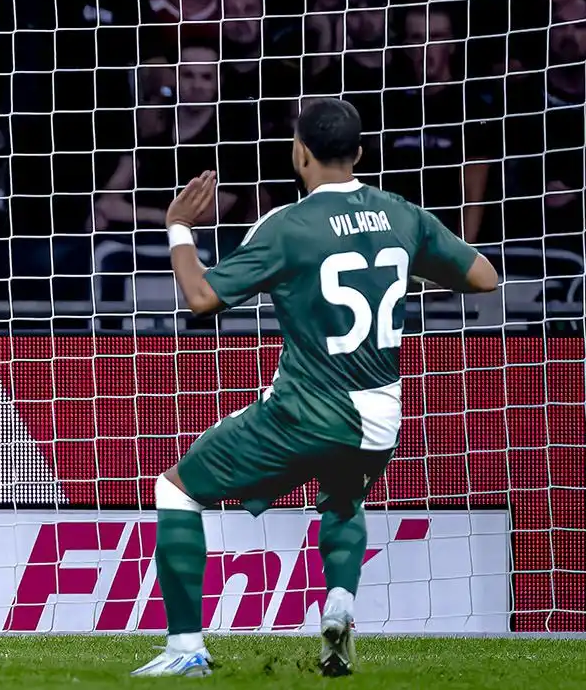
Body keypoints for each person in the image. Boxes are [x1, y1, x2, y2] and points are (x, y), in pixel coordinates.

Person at [136, 98, 499, 677]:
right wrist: (398, 264)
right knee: (342, 496)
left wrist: (178, 226)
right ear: (358, 153)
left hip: (308, 412)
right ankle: (340, 605)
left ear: (298, 152)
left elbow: (202, 298)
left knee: (177, 490)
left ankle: (185, 650)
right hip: (381, 417)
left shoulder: (287, 225)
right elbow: (484, 277)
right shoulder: (399, 214)